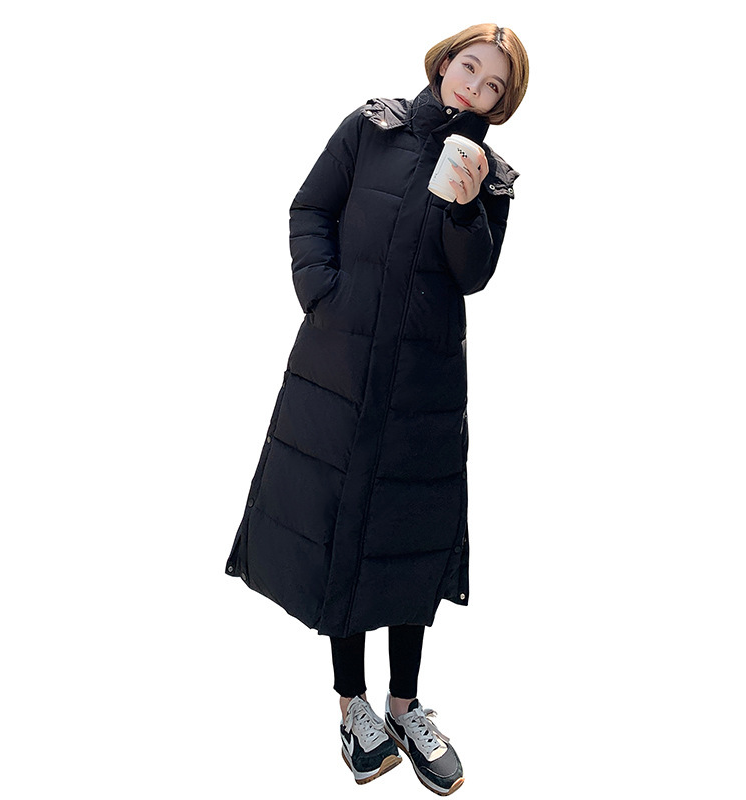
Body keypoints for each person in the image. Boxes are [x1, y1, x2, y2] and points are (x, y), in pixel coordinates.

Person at [224, 22, 529, 795]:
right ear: (445, 61)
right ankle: (352, 705)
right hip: (339, 364)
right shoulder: (372, 127)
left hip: (426, 383)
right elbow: (309, 208)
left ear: (502, 102)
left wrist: (465, 209)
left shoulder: (493, 179)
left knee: (409, 533)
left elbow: (473, 276)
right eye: (470, 67)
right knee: (340, 520)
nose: (476, 88)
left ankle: (405, 706)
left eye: (494, 85)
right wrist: (323, 293)